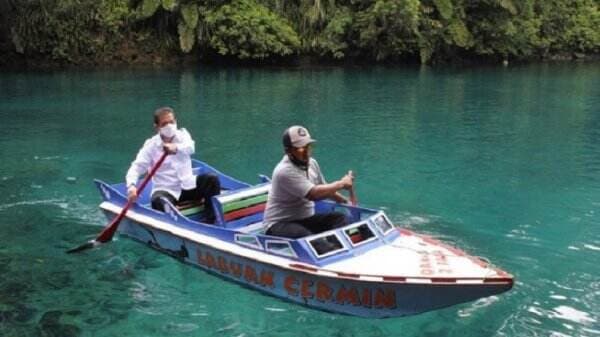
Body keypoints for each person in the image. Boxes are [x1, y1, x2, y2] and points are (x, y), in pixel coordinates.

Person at [125, 107, 220, 223]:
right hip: (166, 189)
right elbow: (137, 167)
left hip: (187, 186)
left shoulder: (183, 135)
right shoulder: (151, 146)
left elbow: (190, 148)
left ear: (176, 121)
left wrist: (176, 148)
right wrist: (131, 186)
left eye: (172, 122)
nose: (169, 126)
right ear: (157, 127)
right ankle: (175, 223)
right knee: (158, 201)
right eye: (164, 124)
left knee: (212, 179)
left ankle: (211, 220)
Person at [263, 125, 354, 239]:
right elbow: (314, 194)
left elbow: (325, 189)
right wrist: (341, 183)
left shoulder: (312, 163)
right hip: (279, 224)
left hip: (305, 219)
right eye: (300, 148)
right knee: (307, 238)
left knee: (341, 219)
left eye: (308, 146)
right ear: (288, 151)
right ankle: (329, 250)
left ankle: (339, 249)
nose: (306, 152)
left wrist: (345, 202)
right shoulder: (284, 171)